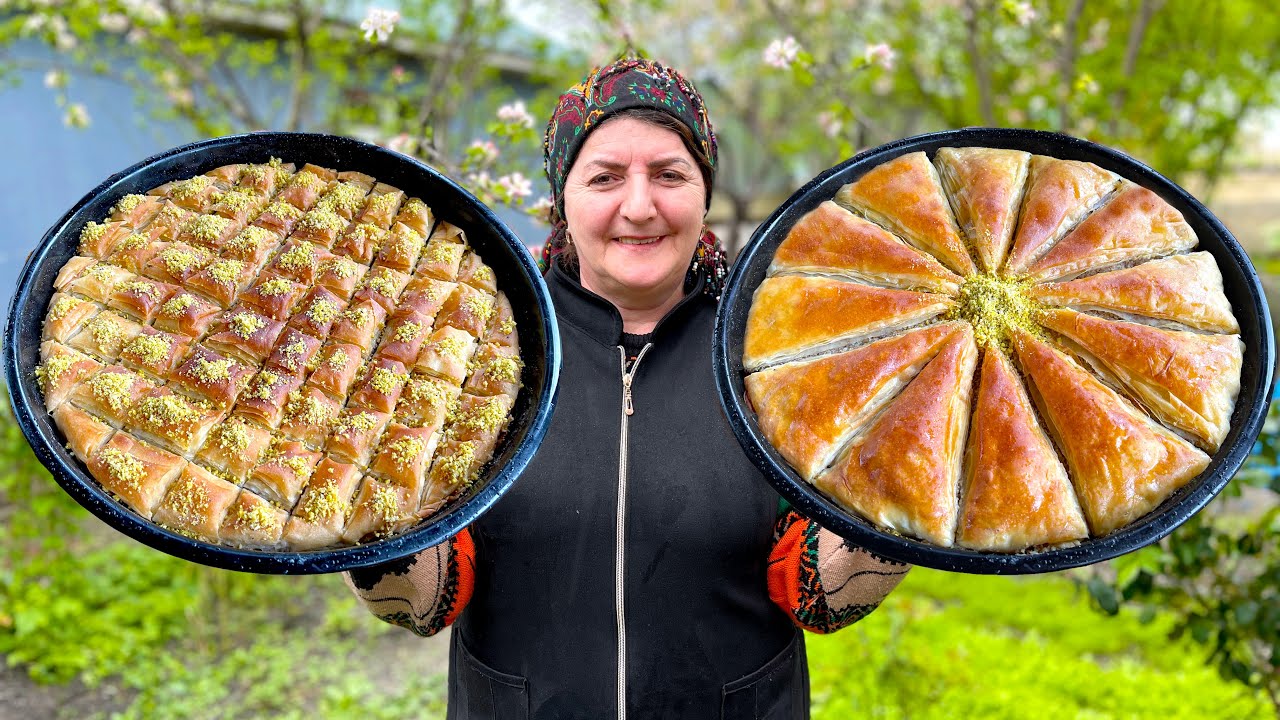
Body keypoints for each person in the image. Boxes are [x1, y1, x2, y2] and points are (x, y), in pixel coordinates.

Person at [346, 56, 910, 720]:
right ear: (563, 197)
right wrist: (363, 495)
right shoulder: (483, 345)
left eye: (670, 175)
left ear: (704, 191)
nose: (639, 207)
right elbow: (424, 603)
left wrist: (897, 487)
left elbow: (820, 595)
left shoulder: (775, 353)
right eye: (606, 177)